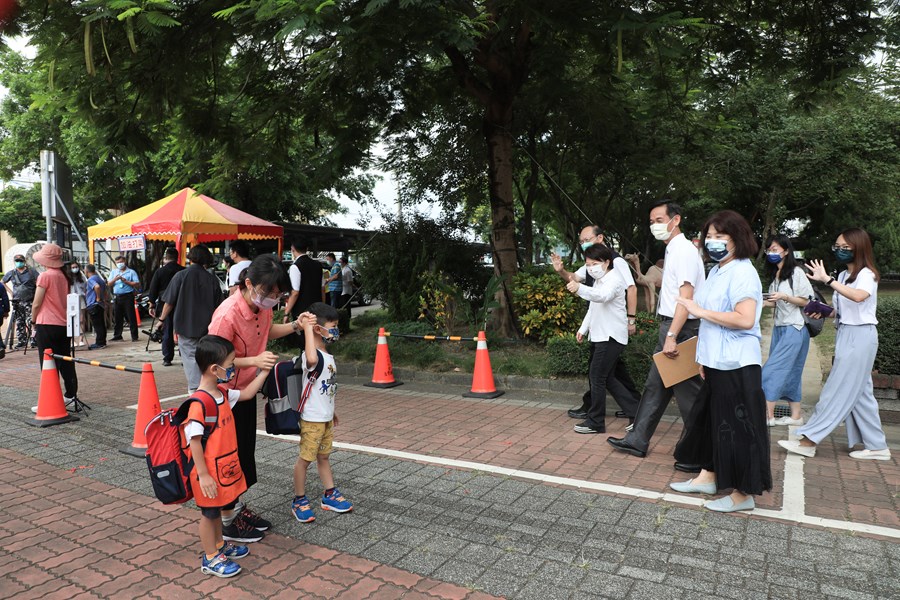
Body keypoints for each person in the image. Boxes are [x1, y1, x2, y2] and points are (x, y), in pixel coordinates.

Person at [668, 209, 770, 513]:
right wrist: (704, 358)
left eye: (719, 237)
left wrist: (698, 311)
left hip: (738, 365)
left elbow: (745, 318)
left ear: (737, 239)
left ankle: (743, 495)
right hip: (717, 362)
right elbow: (713, 321)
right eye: (708, 236)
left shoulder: (742, 272)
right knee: (712, 423)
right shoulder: (716, 270)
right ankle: (707, 476)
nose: (712, 242)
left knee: (739, 430)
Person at [208, 254, 304, 541]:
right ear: (248, 284)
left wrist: (296, 325)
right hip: (225, 395)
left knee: (244, 455)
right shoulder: (227, 315)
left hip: (247, 394)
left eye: (277, 295)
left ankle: (236, 508)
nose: (271, 300)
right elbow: (214, 359)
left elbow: (266, 331)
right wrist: (255, 362)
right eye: (267, 293)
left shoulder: (263, 308)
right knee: (227, 457)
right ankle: (227, 521)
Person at [779, 228, 891, 461]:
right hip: (846, 333)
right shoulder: (842, 276)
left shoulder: (867, 274)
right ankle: (877, 446)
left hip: (860, 336)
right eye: (836, 247)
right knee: (861, 394)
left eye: (844, 248)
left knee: (835, 390)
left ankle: (809, 440)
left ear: (858, 248)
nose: (839, 251)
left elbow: (859, 297)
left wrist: (826, 280)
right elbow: (845, 309)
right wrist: (825, 312)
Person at [607, 201, 706, 465]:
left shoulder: (684, 251)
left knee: (689, 394)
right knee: (655, 386)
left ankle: (698, 452)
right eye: (651, 221)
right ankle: (638, 439)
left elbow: (687, 298)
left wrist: (672, 336)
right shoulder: (674, 250)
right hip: (672, 326)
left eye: (659, 219)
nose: (654, 225)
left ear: (676, 220)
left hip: (680, 328)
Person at [184, 335, 271, 578]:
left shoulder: (221, 393)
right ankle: (210, 557)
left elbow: (245, 394)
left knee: (218, 510)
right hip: (208, 474)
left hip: (221, 470)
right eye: (231, 364)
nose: (234, 368)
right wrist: (203, 475)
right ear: (214, 369)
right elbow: (194, 441)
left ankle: (220, 547)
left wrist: (262, 372)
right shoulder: (199, 403)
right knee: (209, 515)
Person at [551, 225, 641, 421]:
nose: (584, 244)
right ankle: (633, 408)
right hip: (601, 331)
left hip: (611, 331)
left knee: (600, 374)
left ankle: (598, 416)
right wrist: (561, 271)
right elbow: (575, 281)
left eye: (587, 240)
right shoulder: (595, 266)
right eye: (581, 242)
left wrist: (631, 320)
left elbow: (628, 289)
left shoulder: (614, 266)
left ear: (600, 238)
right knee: (609, 373)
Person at [566, 244, 638, 433]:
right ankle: (637, 413)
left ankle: (596, 422)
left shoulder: (614, 279)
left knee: (597, 377)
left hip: (610, 336)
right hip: (602, 335)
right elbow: (593, 306)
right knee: (607, 378)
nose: (591, 268)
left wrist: (579, 288)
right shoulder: (600, 280)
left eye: (594, 263)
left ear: (607, 262)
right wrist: (583, 328)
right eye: (588, 264)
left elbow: (602, 297)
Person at [292, 302, 353, 523]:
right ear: (319, 329)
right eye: (332, 326)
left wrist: (332, 411)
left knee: (324, 456)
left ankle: (330, 494)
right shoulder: (313, 354)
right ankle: (299, 499)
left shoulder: (326, 354)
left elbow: (327, 387)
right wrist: (307, 328)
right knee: (305, 460)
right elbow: (310, 360)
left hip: (325, 417)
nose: (335, 331)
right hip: (312, 419)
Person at [761, 234, 813, 426]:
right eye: (769, 250)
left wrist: (784, 296)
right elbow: (774, 303)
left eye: (775, 249)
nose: (771, 253)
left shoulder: (796, 273)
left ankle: (768, 416)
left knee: (772, 370)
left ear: (786, 251)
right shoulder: (776, 275)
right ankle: (796, 417)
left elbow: (806, 300)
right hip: (780, 328)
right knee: (791, 372)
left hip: (795, 327)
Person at [158, 245, 223, 394]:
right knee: (207, 357)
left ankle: (196, 390)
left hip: (185, 326)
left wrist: (161, 319)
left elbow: (169, 302)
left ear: (191, 257)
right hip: (208, 327)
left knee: (190, 357)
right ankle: (210, 387)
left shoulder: (181, 276)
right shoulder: (211, 279)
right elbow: (220, 305)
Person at [30, 244, 79, 405]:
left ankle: (51, 400)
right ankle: (70, 395)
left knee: (48, 363)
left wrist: (32, 320)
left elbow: (37, 303)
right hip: (64, 324)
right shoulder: (64, 276)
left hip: (47, 323)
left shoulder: (45, 276)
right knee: (65, 360)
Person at [147, 247, 185, 366]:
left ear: (166, 258)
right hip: (182, 303)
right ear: (177, 257)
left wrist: (151, 304)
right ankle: (184, 357)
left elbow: (153, 289)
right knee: (183, 331)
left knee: (167, 331)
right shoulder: (183, 270)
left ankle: (167, 358)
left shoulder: (160, 271)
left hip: (165, 304)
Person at [3, 253, 37, 349]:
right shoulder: (12, 273)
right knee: (19, 321)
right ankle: (21, 340)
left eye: (21, 261)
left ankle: (34, 340)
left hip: (30, 300)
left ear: (24, 261)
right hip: (17, 301)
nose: (19, 263)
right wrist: (10, 292)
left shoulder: (31, 272)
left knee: (31, 321)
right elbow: (3, 282)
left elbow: (39, 282)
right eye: (17, 261)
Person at [108, 255, 141, 342]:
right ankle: (117, 335)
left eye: (121, 262)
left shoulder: (131, 272)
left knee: (131, 317)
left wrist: (126, 282)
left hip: (128, 296)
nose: (119, 264)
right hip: (117, 297)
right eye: (118, 263)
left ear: (125, 261)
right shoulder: (114, 272)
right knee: (118, 317)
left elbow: (137, 283)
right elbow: (109, 284)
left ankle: (134, 336)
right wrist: (115, 279)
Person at [84, 265, 108, 349]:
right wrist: (104, 300)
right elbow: (105, 290)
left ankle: (100, 343)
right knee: (101, 324)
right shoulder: (100, 279)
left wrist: (97, 298)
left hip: (93, 304)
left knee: (97, 324)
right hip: (100, 304)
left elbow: (96, 287)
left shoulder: (91, 280)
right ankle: (102, 341)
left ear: (86, 271)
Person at [69, 261, 88, 346]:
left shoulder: (82, 276)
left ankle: (81, 339)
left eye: (76, 267)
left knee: (81, 320)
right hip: (71, 299)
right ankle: (73, 340)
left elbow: (85, 286)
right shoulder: (68, 278)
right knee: (71, 320)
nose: (74, 269)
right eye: (72, 267)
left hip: (80, 298)